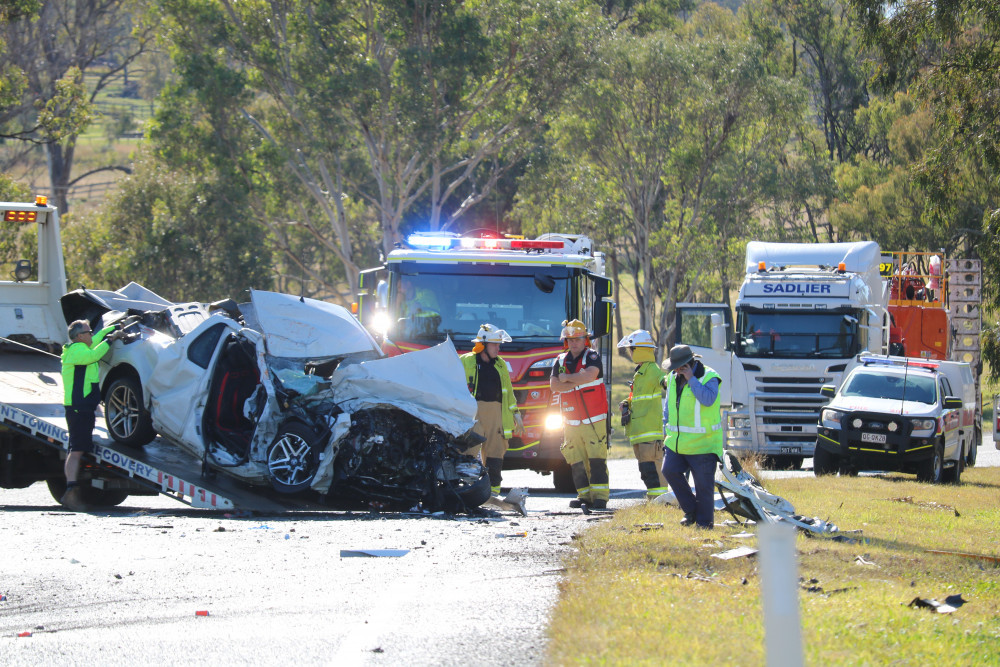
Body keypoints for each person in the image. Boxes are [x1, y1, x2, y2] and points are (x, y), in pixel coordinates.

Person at [660, 343, 723, 529]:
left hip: (704, 444)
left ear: (689, 362)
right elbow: (668, 406)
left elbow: (708, 400)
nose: (677, 370)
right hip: (676, 443)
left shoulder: (710, 377)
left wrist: (691, 379)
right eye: (675, 367)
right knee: (669, 471)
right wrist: (666, 429)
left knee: (704, 487)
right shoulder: (672, 377)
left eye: (681, 366)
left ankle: (704, 524)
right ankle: (691, 510)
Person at [60, 319, 121, 511]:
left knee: (77, 448)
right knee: (76, 449)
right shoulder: (78, 351)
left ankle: (72, 490)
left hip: (82, 408)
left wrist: (115, 328)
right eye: (88, 332)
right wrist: (111, 341)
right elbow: (94, 355)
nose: (91, 334)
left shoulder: (81, 347)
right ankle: (71, 490)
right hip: (78, 408)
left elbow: (96, 339)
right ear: (79, 336)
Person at [550, 319, 610, 509]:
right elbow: (554, 385)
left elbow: (590, 375)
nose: (574, 343)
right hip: (571, 420)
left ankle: (600, 497)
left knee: (596, 458)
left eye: (578, 339)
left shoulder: (592, 356)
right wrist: (576, 379)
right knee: (576, 459)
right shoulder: (559, 360)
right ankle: (583, 496)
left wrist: (567, 378)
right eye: (571, 339)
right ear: (566, 341)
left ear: (585, 339)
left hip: (594, 418)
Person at [460, 324, 524, 496]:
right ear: (483, 345)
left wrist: (516, 414)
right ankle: (469, 490)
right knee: (470, 451)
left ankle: (493, 493)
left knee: (496, 453)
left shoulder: (501, 365)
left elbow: (509, 393)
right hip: (473, 413)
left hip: (497, 413)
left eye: (499, 344)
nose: (498, 347)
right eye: (495, 344)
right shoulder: (466, 361)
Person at [616, 330, 670, 499]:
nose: (630, 353)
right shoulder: (639, 373)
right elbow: (639, 397)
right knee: (646, 471)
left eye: (631, 349)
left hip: (649, 432)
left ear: (639, 349)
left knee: (653, 468)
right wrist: (626, 403)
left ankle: (661, 501)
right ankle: (654, 499)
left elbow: (665, 381)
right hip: (639, 432)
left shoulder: (652, 370)